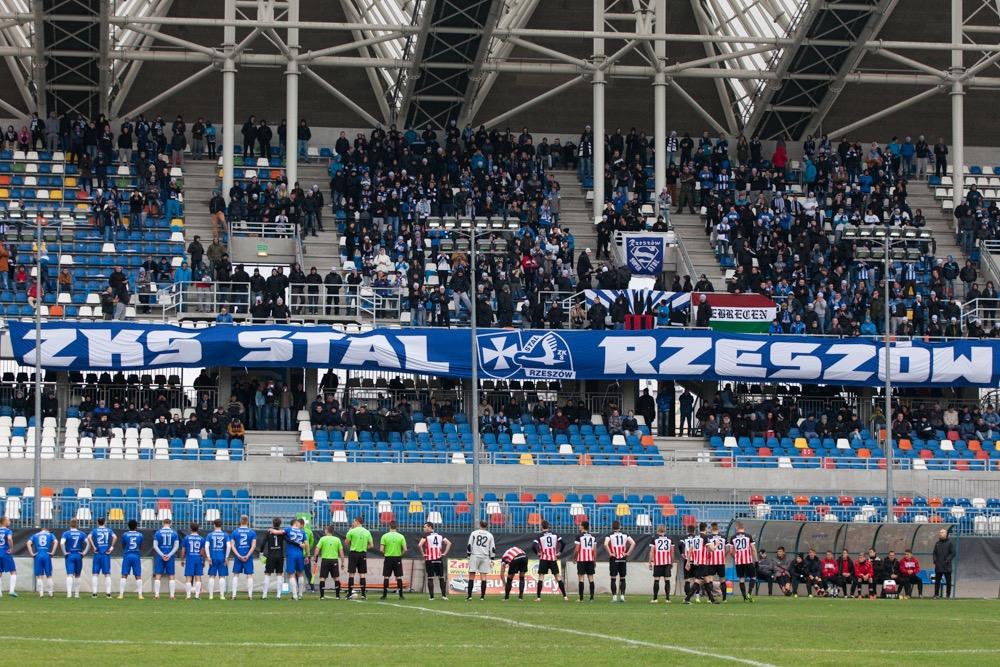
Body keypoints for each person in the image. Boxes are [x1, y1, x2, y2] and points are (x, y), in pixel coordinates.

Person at [273, 518, 308, 600]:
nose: (299, 524)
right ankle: (300, 594)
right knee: (300, 573)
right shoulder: (302, 532)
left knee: (291, 574)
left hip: (291, 554)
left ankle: (295, 595)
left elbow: (277, 532)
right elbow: (306, 544)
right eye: (298, 523)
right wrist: (306, 555)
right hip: (300, 554)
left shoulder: (288, 529)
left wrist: (271, 529)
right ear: (296, 523)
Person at [532, 520, 567, 601]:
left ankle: (538, 597)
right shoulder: (555, 534)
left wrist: (537, 553)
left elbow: (533, 546)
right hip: (553, 558)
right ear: (548, 526)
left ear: (541, 526)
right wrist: (560, 552)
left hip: (544, 558)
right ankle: (565, 597)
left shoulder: (540, 536)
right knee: (558, 577)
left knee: (541, 577)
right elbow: (563, 543)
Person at [417, 521, 451, 600]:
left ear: (430, 527)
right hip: (439, 558)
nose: (424, 528)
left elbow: (419, 545)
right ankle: (444, 596)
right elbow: (449, 543)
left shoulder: (426, 536)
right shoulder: (439, 535)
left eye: (425, 527)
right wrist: (444, 553)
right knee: (441, 577)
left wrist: (423, 554)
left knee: (430, 577)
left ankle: (432, 597)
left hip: (429, 558)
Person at [604, 520, 635, 603]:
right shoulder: (625, 534)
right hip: (622, 558)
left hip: (614, 558)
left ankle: (614, 597)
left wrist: (610, 553)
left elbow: (605, 544)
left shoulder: (609, 535)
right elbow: (633, 543)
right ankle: (622, 597)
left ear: (612, 527)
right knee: (623, 578)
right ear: (620, 526)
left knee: (613, 578)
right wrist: (628, 553)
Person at [345, 516, 373, 600]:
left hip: (353, 554)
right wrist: (364, 547)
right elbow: (371, 545)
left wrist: (349, 532)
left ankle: (350, 594)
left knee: (351, 574)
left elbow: (346, 543)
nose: (353, 523)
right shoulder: (367, 532)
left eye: (353, 522)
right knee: (362, 574)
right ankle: (363, 595)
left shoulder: (352, 531)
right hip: (363, 554)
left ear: (357, 522)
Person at [467, 519, 496, 600]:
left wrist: (468, 555)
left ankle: (469, 596)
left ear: (479, 525)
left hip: (475, 555)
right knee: (483, 577)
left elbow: (469, 545)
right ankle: (482, 597)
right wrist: (492, 558)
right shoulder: (490, 535)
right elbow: (492, 548)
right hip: (485, 556)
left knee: (471, 575)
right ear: (486, 526)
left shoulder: (474, 533)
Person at [229, 515, 257, 600]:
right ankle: (250, 595)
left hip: (238, 556)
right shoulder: (252, 532)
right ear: (247, 521)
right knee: (249, 575)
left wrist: (238, 555)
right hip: (248, 557)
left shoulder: (235, 532)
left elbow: (232, 545)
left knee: (236, 575)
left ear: (240, 521)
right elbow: (254, 545)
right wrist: (248, 555)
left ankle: (234, 595)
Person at [60, 519, 89, 598]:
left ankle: (69, 594)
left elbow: (62, 543)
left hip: (70, 555)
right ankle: (77, 594)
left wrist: (64, 552)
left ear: (69, 524)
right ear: (77, 524)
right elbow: (88, 543)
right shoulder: (82, 533)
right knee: (78, 575)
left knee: (69, 574)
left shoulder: (66, 533)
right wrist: (84, 553)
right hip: (78, 555)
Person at [88, 517, 116, 598]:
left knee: (95, 574)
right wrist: (111, 548)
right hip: (105, 554)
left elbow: (89, 537)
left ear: (97, 522)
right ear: (105, 522)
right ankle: (108, 594)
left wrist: (93, 546)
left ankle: (94, 593)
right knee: (107, 574)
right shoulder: (109, 530)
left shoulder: (95, 530)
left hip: (97, 553)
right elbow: (115, 537)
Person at [314, 524, 344, 600]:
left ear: (327, 531)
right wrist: (342, 562)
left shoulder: (322, 539)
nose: (324, 531)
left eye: (325, 529)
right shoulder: (337, 539)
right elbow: (341, 552)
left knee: (322, 578)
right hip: (334, 560)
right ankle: (337, 596)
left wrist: (315, 560)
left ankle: (322, 596)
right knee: (336, 578)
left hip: (325, 560)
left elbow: (317, 550)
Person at [379, 521, 407, 600]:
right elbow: (405, 549)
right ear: (396, 527)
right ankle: (401, 595)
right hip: (397, 558)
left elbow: (381, 549)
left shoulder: (384, 536)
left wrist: (386, 553)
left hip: (388, 558)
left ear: (389, 526)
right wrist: (400, 554)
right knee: (398, 577)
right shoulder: (401, 536)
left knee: (386, 577)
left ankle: (384, 595)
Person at [729, 522, 757, 602]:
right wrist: (756, 560)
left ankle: (744, 598)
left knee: (741, 579)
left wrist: (736, 557)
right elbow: (753, 549)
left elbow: (731, 551)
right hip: (748, 561)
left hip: (738, 562)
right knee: (753, 577)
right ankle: (749, 593)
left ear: (737, 528)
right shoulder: (748, 536)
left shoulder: (733, 537)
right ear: (743, 527)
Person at [152, 518, 180, 600]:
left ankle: (157, 595)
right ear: (170, 523)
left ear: (163, 523)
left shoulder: (158, 532)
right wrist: (169, 555)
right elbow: (176, 546)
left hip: (160, 556)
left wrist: (162, 555)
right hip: (170, 557)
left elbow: (155, 545)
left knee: (158, 575)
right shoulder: (174, 533)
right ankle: (172, 595)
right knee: (171, 575)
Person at [27, 526, 56, 597]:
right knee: (49, 575)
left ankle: (41, 593)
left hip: (38, 555)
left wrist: (31, 554)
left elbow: (28, 543)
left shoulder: (35, 535)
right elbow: (56, 542)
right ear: (47, 530)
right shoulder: (50, 535)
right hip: (46, 555)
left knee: (39, 576)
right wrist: (52, 552)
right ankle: (50, 593)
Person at [261, 517, 286, 600]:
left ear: (272, 523)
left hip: (271, 556)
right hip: (280, 556)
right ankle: (278, 595)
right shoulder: (282, 533)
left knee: (267, 574)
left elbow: (263, 542)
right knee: (279, 574)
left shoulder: (268, 532)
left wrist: (261, 552)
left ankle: (264, 595)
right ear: (280, 524)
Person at [205, 519, 230, 600]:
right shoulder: (225, 535)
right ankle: (222, 596)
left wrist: (208, 556)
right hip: (222, 557)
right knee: (222, 576)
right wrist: (226, 557)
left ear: (214, 525)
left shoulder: (210, 535)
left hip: (213, 557)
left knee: (211, 576)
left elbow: (206, 546)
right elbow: (229, 546)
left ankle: (211, 596)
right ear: (221, 525)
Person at [573, 520, 598, 602]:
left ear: (583, 526)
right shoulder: (593, 537)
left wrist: (574, 558)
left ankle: (581, 598)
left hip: (581, 559)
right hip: (590, 559)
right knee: (591, 578)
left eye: (580, 525)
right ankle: (591, 598)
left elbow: (577, 549)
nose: (579, 526)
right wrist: (594, 560)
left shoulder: (579, 536)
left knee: (581, 578)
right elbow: (594, 550)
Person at [119, 520, 144, 599]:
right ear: (136, 526)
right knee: (138, 575)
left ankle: (121, 594)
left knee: (124, 575)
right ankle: (140, 595)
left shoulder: (125, 535)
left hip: (127, 555)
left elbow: (123, 545)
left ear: (128, 526)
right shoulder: (140, 535)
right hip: (136, 555)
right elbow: (141, 546)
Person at [180, 522, 205, 600]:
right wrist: (203, 560)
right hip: (198, 558)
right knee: (198, 577)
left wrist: (182, 559)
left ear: (190, 529)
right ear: (198, 529)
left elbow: (183, 550)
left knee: (188, 577)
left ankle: (188, 596)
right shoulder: (201, 539)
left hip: (190, 558)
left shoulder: (186, 538)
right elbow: (203, 551)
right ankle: (197, 596)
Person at [649, 525, 674, 603]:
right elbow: (672, 551)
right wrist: (672, 562)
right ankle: (667, 599)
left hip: (658, 562)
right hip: (667, 562)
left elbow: (651, 551)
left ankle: (655, 598)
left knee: (656, 580)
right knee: (667, 580)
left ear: (657, 531)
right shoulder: (670, 539)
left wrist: (650, 562)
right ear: (665, 531)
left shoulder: (654, 539)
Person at [706, 522, 728, 602]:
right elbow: (727, 549)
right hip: (721, 561)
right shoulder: (723, 537)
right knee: (722, 580)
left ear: (711, 528)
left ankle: (710, 598)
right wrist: (723, 556)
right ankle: (724, 598)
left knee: (710, 579)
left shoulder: (708, 538)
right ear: (717, 528)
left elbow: (708, 550)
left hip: (711, 561)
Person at [933, 528, 955, 598]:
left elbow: (953, 553)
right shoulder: (937, 543)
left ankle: (948, 595)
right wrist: (935, 560)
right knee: (937, 581)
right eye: (940, 532)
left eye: (942, 532)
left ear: (946, 534)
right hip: (938, 566)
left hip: (947, 566)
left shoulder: (950, 543)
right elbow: (934, 553)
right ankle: (936, 594)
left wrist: (947, 560)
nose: (941, 533)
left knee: (948, 582)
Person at [0, 516, 18, 597]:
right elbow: (9, 539)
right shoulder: (8, 531)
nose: (10, 522)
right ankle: (11, 591)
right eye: (8, 520)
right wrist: (11, 548)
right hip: (5, 552)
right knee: (13, 571)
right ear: (4, 522)